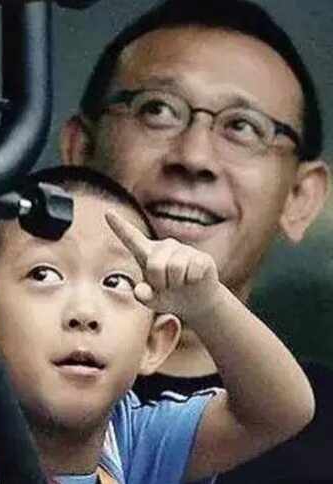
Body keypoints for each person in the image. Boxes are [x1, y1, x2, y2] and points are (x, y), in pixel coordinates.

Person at [58, 0, 333, 481]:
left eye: (243, 127)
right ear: (81, 152)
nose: (194, 157)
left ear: (300, 197)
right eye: (158, 110)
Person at [0, 166, 314, 484]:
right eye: (44, 274)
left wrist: (208, 304)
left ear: (154, 345)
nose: (84, 312)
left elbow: (279, 411)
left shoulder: (125, 437)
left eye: (116, 281)